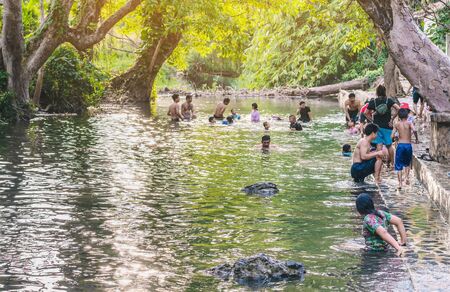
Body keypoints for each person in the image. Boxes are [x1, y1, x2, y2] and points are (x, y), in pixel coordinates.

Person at [365, 85, 400, 169]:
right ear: (385, 92)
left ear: (377, 92)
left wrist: (372, 121)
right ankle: (393, 164)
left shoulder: (373, 101)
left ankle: (379, 163)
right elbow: (399, 108)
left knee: (379, 145)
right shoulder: (388, 101)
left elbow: (366, 113)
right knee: (389, 145)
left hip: (377, 127)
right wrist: (392, 119)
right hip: (387, 127)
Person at [392, 108, 418, 189]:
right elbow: (415, 130)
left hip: (400, 145)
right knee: (407, 163)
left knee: (399, 165)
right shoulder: (409, 123)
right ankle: (406, 178)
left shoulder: (397, 124)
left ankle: (400, 184)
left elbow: (392, 136)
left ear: (399, 116)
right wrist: (417, 139)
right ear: (407, 116)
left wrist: (396, 138)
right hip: (408, 145)